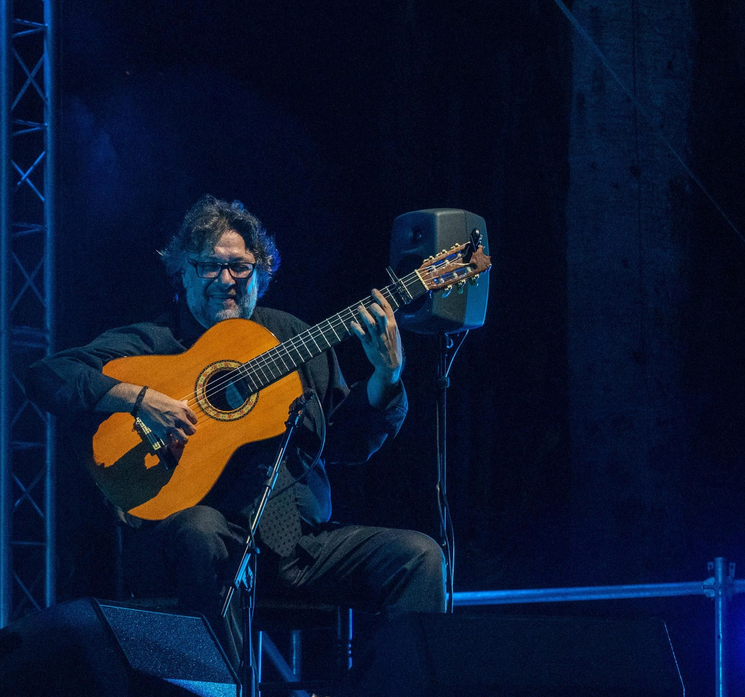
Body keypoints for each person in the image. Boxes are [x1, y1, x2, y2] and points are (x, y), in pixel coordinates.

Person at [26, 195, 442, 632]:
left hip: (301, 546)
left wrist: (387, 377)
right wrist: (138, 398)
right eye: (210, 266)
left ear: (260, 273)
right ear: (183, 272)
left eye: (240, 267)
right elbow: (49, 375)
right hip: (202, 545)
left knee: (420, 556)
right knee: (200, 531)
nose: (226, 280)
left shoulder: (290, 338)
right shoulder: (156, 341)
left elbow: (345, 444)